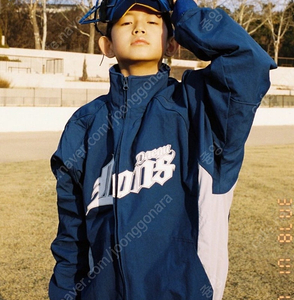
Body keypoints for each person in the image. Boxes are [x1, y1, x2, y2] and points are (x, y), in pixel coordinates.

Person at [48, 0, 276, 299]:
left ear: (173, 44)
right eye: (126, 22)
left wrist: (185, 11)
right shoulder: (84, 124)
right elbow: (71, 237)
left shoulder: (199, 107)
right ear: (107, 45)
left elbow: (249, 61)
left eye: (153, 21)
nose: (139, 27)